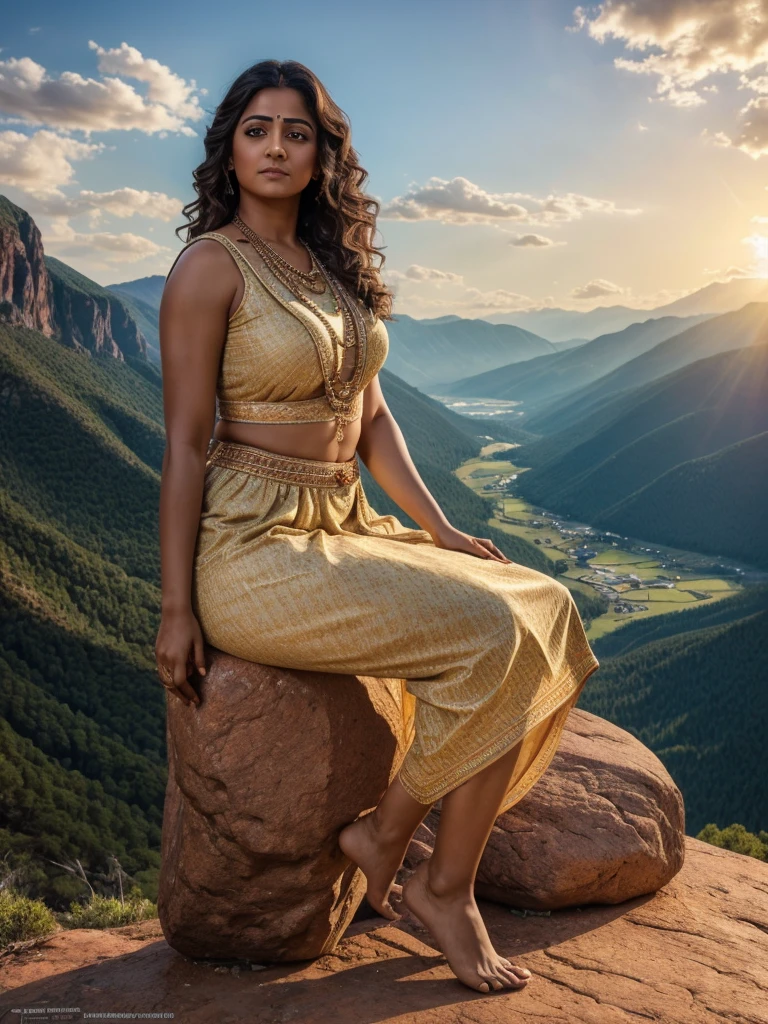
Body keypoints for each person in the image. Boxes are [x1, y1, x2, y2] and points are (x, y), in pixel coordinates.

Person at [155, 58, 599, 996]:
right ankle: (443, 886)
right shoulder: (208, 267)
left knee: (547, 606)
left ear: (324, 156)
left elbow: (375, 421)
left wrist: (437, 528)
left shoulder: (330, 270)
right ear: (229, 150)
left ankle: (386, 836)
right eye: (258, 129)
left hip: (341, 518)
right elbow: (187, 445)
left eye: (298, 132)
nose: (277, 147)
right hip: (253, 546)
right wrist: (176, 607)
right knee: (490, 632)